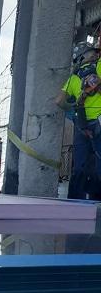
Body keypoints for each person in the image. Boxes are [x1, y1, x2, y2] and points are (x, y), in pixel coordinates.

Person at [55, 42, 101, 199]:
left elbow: (59, 101)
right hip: (99, 123)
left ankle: (75, 202)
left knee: (80, 165)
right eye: (92, 52)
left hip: (82, 125)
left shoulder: (73, 78)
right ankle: (97, 202)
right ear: (84, 56)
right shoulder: (99, 68)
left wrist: (73, 106)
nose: (95, 54)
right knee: (97, 163)